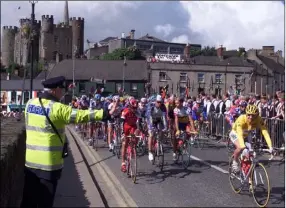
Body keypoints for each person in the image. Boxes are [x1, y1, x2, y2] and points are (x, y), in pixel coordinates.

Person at [21, 76, 112, 208]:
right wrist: (105, 113)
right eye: (61, 90)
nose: (62, 93)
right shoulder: (57, 108)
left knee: (28, 201)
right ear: (55, 90)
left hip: (30, 162)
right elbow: (81, 115)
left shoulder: (30, 103)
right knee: (45, 202)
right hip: (49, 164)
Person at [229, 104, 273, 172]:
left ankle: (248, 177)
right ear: (246, 114)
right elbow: (240, 134)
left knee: (250, 152)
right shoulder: (241, 118)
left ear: (257, 115)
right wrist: (243, 146)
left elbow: (265, 133)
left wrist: (270, 146)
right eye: (249, 115)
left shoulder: (259, 119)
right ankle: (235, 162)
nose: (250, 117)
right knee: (240, 147)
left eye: (253, 115)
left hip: (246, 134)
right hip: (235, 133)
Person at [120, 98, 140, 172]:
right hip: (125, 127)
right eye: (133, 108)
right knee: (124, 144)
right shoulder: (125, 111)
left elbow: (139, 123)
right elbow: (121, 123)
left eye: (136, 108)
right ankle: (123, 164)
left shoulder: (137, 112)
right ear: (130, 106)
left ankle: (133, 147)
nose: (135, 109)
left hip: (133, 127)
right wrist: (122, 133)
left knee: (137, 133)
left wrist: (139, 130)